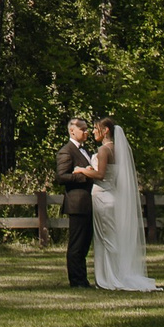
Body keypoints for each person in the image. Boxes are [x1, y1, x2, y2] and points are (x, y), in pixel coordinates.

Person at [72, 116, 160, 292]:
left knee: (106, 239)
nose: (94, 131)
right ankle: (111, 274)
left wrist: (82, 170)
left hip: (103, 197)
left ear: (105, 131)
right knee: (110, 237)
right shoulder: (118, 150)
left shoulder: (104, 150)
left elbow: (101, 174)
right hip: (111, 195)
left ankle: (111, 278)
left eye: (97, 128)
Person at [54, 116, 97, 288]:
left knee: (85, 243)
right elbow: (61, 176)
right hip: (77, 203)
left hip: (87, 203)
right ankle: (76, 280)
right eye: (83, 129)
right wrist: (83, 175)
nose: (87, 132)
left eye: (87, 129)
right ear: (72, 130)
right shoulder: (67, 151)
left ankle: (83, 279)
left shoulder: (84, 150)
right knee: (77, 244)